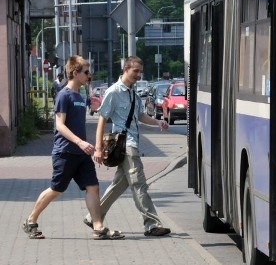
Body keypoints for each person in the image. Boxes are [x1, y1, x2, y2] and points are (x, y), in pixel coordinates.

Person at [22, 55, 124, 240]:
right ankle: (31, 220)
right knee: (57, 189)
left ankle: (98, 227)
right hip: (65, 152)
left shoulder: (80, 95)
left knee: (92, 187)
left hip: (81, 153)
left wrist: (90, 145)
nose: (89, 75)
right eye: (86, 72)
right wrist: (80, 142)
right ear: (75, 73)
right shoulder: (64, 95)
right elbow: (60, 125)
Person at [85, 56, 171, 237]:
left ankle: (92, 216)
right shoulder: (114, 91)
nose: (138, 75)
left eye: (140, 72)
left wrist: (157, 122)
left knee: (119, 184)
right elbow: (102, 119)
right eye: (135, 71)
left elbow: (139, 116)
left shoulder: (132, 92)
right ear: (126, 69)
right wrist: (98, 148)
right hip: (125, 145)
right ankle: (152, 224)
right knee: (139, 184)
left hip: (130, 144)